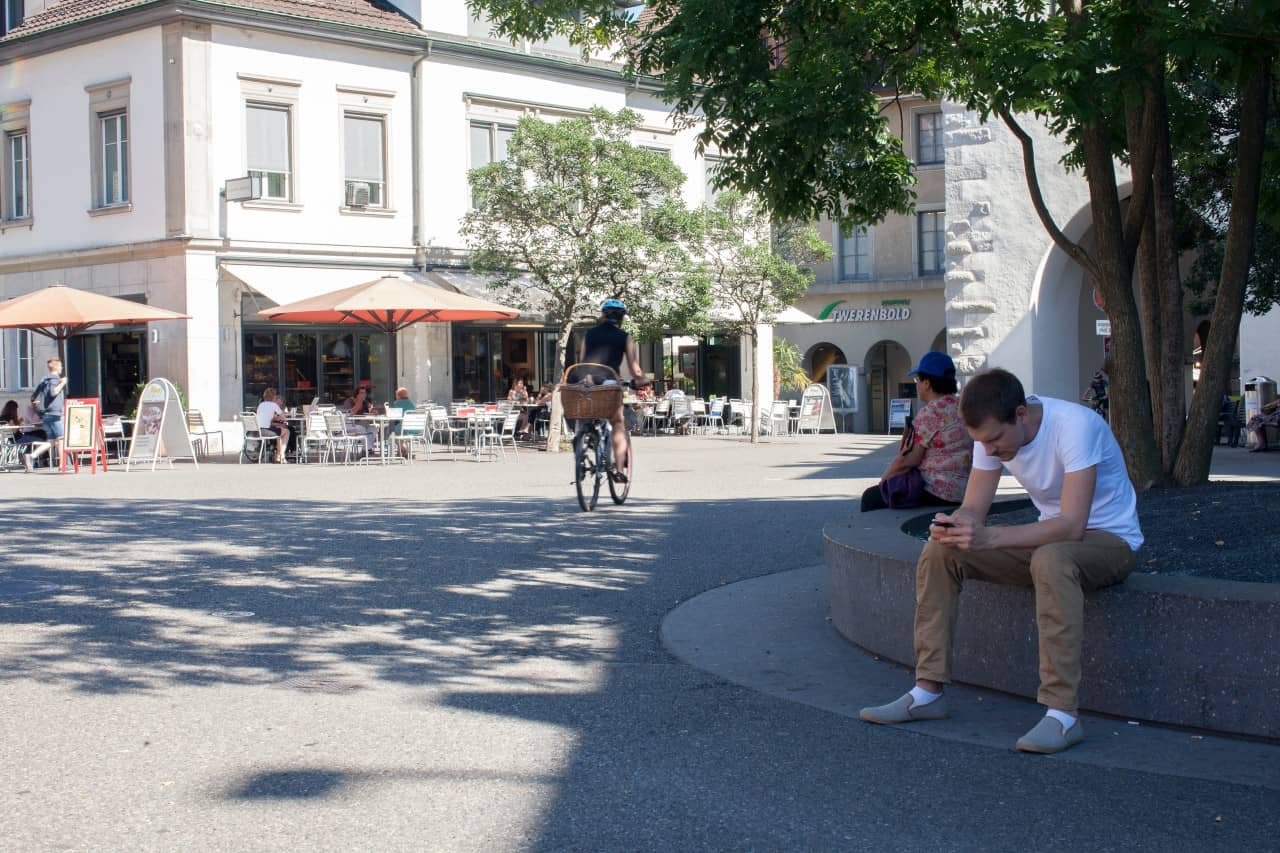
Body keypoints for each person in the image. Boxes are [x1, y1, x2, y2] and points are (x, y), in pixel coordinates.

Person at [859, 368, 1142, 755]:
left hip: (1110, 542)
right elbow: (975, 506)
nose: (989, 451)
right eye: (981, 443)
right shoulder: (990, 435)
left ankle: (1063, 715)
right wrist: (958, 525)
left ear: (1021, 415)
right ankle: (926, 693)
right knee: (942, 551)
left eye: (994, 440)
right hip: (1049, 541)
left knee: (1052, 559)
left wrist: (990, 536)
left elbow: (1073, 526)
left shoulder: (1076, 426)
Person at [860, 351, 972, 512]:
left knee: (871, 497)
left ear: (927, 383)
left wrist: (884, 481)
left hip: (937, 493)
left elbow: (908, 460)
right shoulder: (962, 406)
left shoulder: (931, 413)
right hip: (966, 491)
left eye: (917, 380)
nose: (917, 385)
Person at [576, 298, 649, 482]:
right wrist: (642, 380)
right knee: (617, 422)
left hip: (588, 382)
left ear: (603, 315)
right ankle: (618, 471)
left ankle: (582, 441)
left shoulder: (589, 334)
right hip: (609, 382)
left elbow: (582, 361)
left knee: (585, 414)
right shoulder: (625, 337)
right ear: (621, 318)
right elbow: (635, 369)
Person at [26, 357, 67, 472]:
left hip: (45, 414)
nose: (61, 368)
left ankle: (31, 456)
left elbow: (33, 396)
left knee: (52, 441)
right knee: (61, 439)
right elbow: (53, 392)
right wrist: (62, 383)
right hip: (54, 413)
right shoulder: (55, 379)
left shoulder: (44, 380)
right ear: (56, 367)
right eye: (61, 366)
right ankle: (62, 465)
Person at [254, 386, 290, 464]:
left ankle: (279, 455)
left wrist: (272, 418)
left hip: (258, 431)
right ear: (273, 397)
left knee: (279, 431)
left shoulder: (261, 405)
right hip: (266, 431)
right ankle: (281, 455)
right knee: (286, 432)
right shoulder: (273, 405)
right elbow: (284, 418)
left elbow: (263, 417)